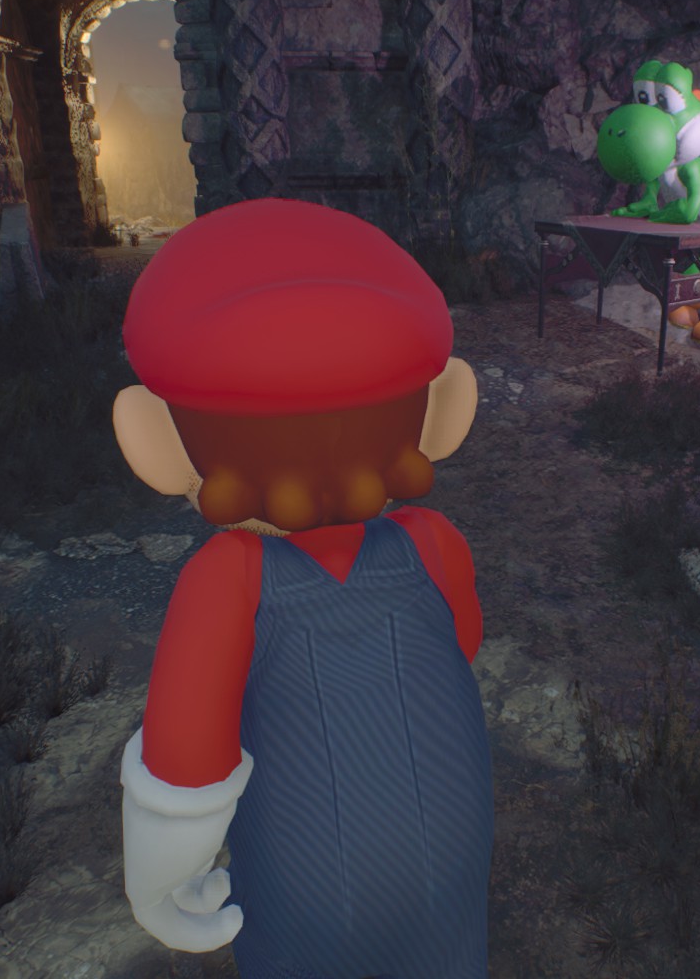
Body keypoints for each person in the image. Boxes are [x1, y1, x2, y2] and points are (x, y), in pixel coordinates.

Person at [111, 197, 492, 978]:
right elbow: (461, 647)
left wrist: (160, 881)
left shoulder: (229, 578)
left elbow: (187, 761)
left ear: (154, 441)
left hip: (304, 877)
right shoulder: (435, 545)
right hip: (452, 846)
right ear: (442, 414)